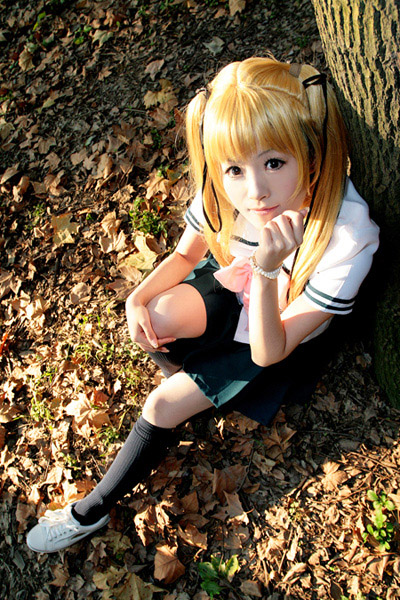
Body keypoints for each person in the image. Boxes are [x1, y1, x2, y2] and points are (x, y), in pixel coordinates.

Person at [26, 57, 379, 553]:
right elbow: (185, 255)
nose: (255, 191)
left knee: (160, 405)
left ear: (312, 151)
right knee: (157, 317)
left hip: (277, 331)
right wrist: (136, 298)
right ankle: (196, 381)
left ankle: (91, 511)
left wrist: (269, 270)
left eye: (274, 163)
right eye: (235, 169)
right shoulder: (226, 187)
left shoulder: (347, 235)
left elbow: (268, 351)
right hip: (235, 289)